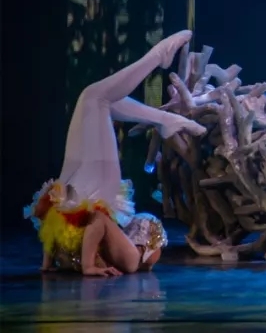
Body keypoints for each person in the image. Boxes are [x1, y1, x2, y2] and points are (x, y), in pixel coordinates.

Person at [26, 30, 206, 276]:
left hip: (83, 200)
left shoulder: (127, 255)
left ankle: (157, 61)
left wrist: (85, 266)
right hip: (80, 202)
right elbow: (63, 224)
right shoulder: (128, 256)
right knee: (97, 99)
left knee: (96, 97)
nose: (138, 225)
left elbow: (96, 223)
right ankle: (165, 118)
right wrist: (49, 263)